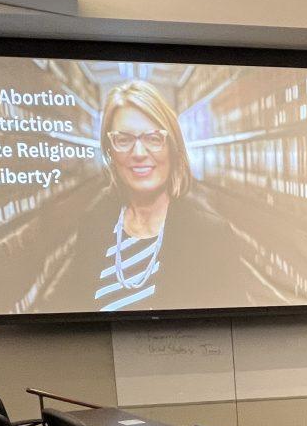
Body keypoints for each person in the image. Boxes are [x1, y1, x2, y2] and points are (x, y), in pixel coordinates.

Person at [55, 80, 242, 313]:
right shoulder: (92, 222)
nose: (139, 153)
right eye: (123, 140)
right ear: (110, 151)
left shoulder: (211, 234)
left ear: (172, 147)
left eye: (153, 138)